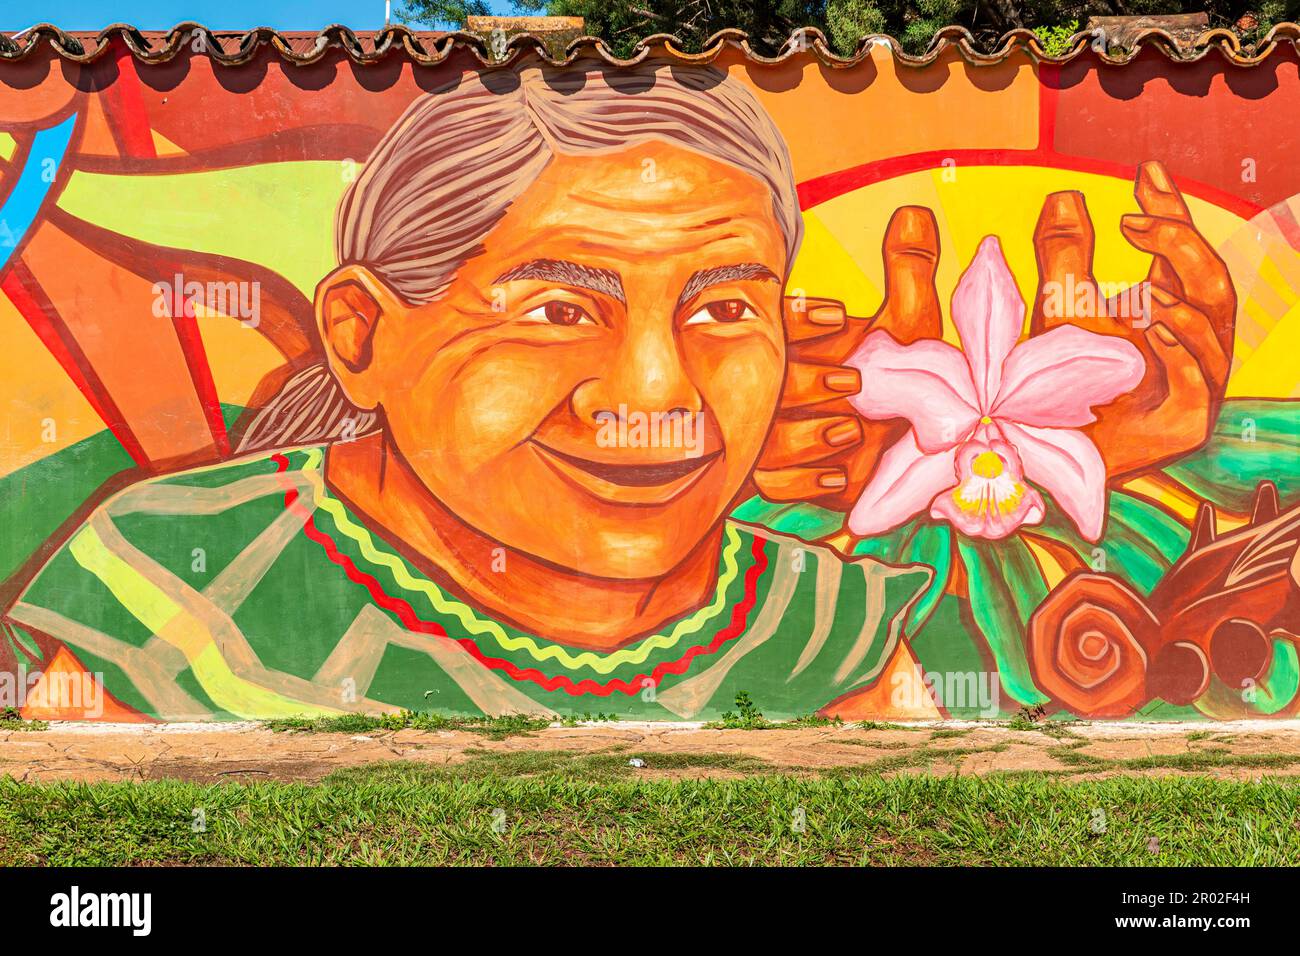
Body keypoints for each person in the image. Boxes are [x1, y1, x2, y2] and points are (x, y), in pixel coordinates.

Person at [1, 57, 1237, 721]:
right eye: (554, 311)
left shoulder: (821, 623)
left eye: (722, 310)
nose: (658, 395)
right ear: (363, 332)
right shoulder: (164, 585)